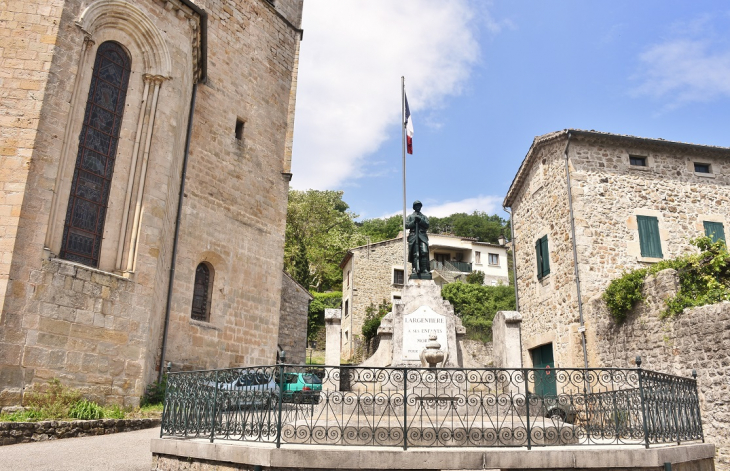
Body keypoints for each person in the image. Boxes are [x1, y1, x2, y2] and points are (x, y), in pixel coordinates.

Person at [405, 200, 431, 279]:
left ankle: (424, 269)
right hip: (413, 235)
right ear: (414, 207)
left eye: (419, 206)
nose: (418, 207)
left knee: (424, 251)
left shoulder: (424, 217)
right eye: (416, 206)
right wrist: (414, 221)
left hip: (422, 235)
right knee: (415, 253)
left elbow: (427, 225)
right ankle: (415, 269)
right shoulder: (410, 216)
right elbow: (406, 225)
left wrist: (420, 220)